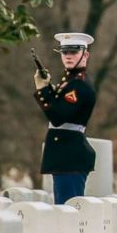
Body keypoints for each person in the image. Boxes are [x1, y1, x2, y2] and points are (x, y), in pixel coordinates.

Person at [33, 33, 97, 204]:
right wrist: (48, 89)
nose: (68, 56)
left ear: (85, 55)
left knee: (69, 214)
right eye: (64, 51)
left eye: (74, 52)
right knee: (64, 212)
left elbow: (57, 117)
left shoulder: (79, 85)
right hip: (65, 155)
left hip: (70, 156)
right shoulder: (69, 81)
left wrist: (42, 90)